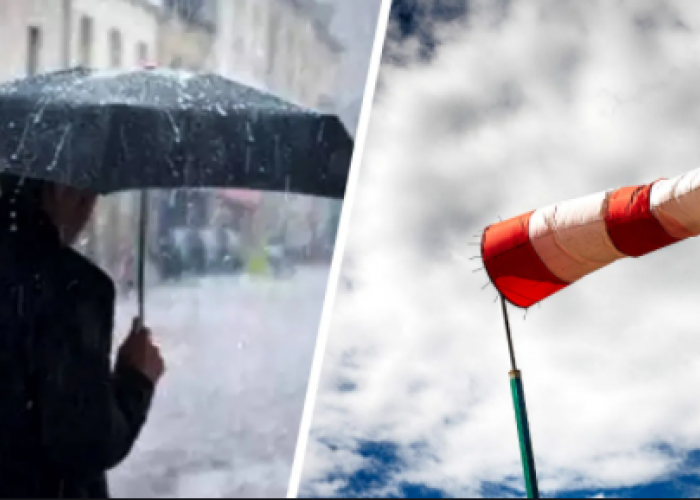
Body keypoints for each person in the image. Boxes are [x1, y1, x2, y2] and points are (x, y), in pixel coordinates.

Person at [0, 175, 166, 498]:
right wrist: (136, 380)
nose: (88, 213)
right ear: (62, 190)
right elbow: (86, 442)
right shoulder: (71, 289)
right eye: (90, 197)